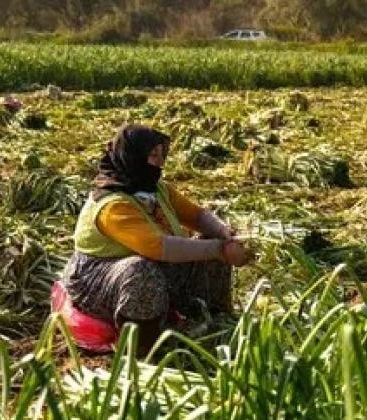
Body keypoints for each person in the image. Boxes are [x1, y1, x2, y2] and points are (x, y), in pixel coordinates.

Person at [62, 124, 253, 354]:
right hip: (98, 277)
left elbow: (196, 215)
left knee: (207, 244)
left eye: (162, 155)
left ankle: (212, 320)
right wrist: (220, 250)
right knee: (141, 272)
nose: (160, 162)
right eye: (153, 155)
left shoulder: (157, 189)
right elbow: (158, 247)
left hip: (156, 263)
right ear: (132, 156)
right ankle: (144, 347)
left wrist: (224, 233)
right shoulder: (113, 206)